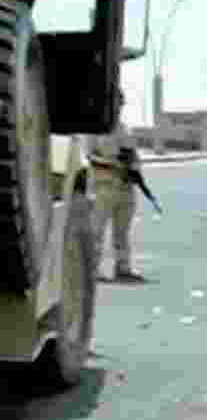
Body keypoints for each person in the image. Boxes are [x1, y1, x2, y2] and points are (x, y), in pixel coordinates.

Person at [88, 89, 145, 282]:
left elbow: (134, 157)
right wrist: (114, 163)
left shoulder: (125, 130)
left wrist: (134, 169)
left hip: (125, 187)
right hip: (104, 185)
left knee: (122, 232)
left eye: (120, 103)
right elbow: (89, 157)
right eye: (115, 102)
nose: (118, 107)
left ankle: (123, 267)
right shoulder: (95, 129)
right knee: (96, 230)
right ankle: (92, 269)